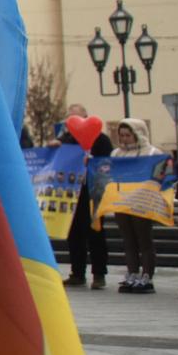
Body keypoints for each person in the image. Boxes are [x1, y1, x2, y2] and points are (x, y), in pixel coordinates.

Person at [110, 118, 169, 294]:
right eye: (121, 135)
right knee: (128, 240)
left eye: (128, 135)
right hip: (122, 202)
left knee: (144, 240)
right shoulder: (116, 154)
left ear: (138, 134)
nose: (124, 139)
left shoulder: (152, 153)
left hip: (142, 203)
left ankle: (147, 275)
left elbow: (161, 174)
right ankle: (133, 272)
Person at [57, 104, 112, 289]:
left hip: (93, 192)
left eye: (77, 118)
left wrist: (93, 161)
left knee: (95, 232)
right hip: (72, 193)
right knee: (74, 235)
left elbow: (107, 163)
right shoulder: (65, 140)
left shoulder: (101, 140)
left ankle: (99, 274)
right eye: (70, 119)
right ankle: (77, 272)